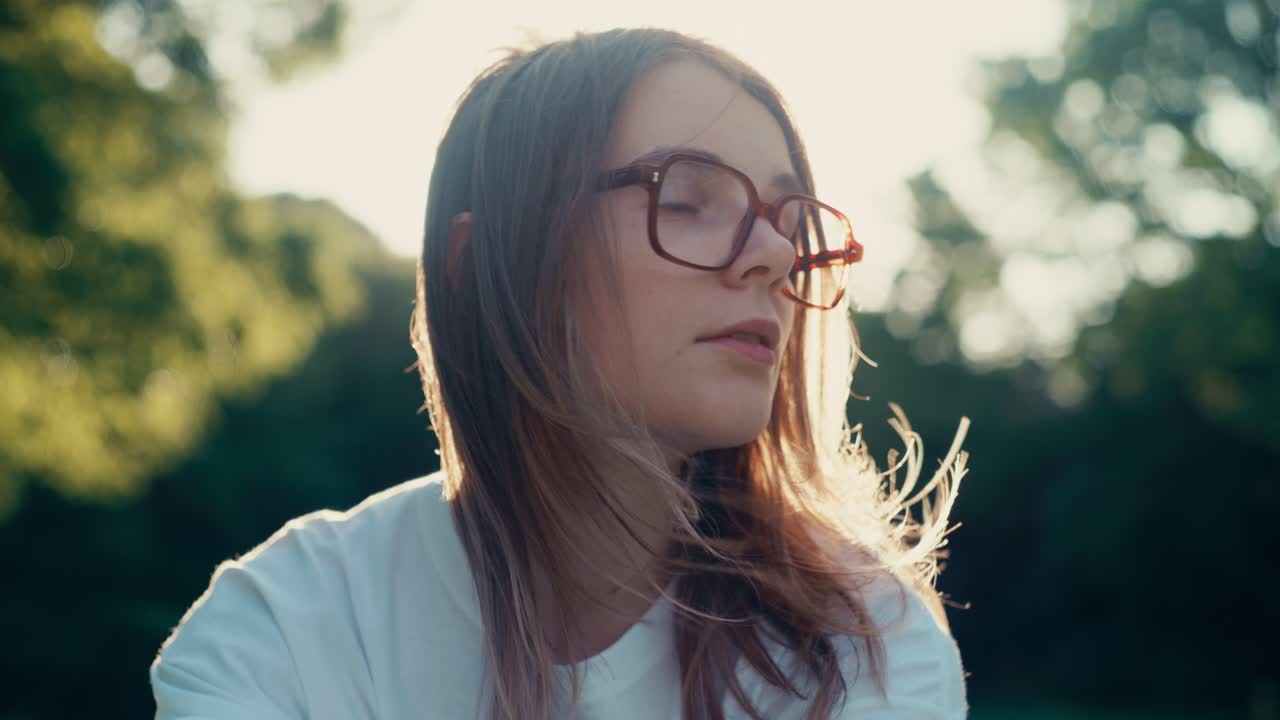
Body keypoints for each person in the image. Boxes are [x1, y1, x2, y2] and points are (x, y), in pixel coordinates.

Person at [150, 27, 971, 720]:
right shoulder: (288, 628)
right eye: (686, 199)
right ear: (488, 262)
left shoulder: (864, 641)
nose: (774, 256)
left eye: (790, 220)